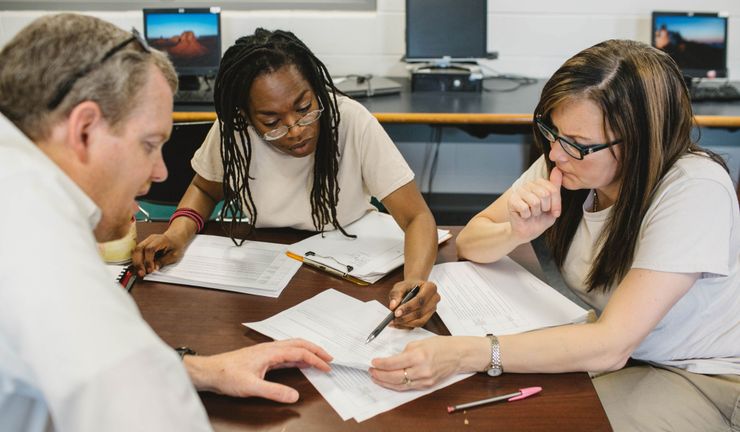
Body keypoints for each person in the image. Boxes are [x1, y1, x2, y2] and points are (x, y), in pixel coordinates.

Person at [369, 39, 740, 431]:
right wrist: (515, 231)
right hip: (617, 350)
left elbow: (612, 345)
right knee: (485, 407)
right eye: (552, 131)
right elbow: (471, 240)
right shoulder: (570, 164)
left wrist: (468, 353)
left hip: (699, 375)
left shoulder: (694, 189)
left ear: (642, 140)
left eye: (578, 144)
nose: (555, 154)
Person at [0, 14, 333, 431]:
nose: (159, 172)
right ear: (84, 129)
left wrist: (201, 370)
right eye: (150, 144)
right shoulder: (41, 251)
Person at [133, 28, 440, 328]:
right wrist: (176, 235)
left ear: (317, 89)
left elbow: (416, 217)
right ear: (246, 117)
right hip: (264, 264)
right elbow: (204, 188)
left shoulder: (352, 120)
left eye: (304, 108)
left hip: (349, 265)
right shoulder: (234, 131)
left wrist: (415, 280)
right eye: (271, 121)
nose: (295, 129)